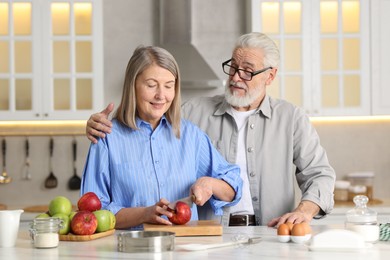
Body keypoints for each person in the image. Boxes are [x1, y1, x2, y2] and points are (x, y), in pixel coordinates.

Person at [85, 32, 336, 227]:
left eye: (247, 72)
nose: (236, 77)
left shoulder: (291, 118)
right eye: (233, 67)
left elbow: (320, 175)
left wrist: (303, 212)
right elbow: (150, 114)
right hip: (211, 235)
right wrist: (96, 124)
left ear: (270, 76)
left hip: (269, 232)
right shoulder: (192, 112)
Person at [80, 45, 242, 229]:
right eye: (151, 85)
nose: (161, 95)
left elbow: (234, 187)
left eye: (168, 86)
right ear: (132, 85)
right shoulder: (107, 137)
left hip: (185, 251)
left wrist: (209, 183)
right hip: (129, 250)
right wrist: (144, 214)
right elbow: (92, 213)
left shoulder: (190, 136)